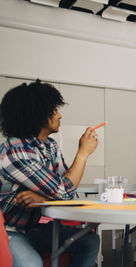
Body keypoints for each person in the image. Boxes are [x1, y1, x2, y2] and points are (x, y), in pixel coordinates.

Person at [0, 80, 100, 267]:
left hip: (34, 228)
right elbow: (64, 191)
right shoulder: (15, 151)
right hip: (9, 231)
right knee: (31, 263)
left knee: (89, 241)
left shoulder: (49, 146)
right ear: (36, 114)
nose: (59, 114)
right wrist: (83, 154)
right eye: (54, 110)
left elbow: (66, 193)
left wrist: (41, 198)